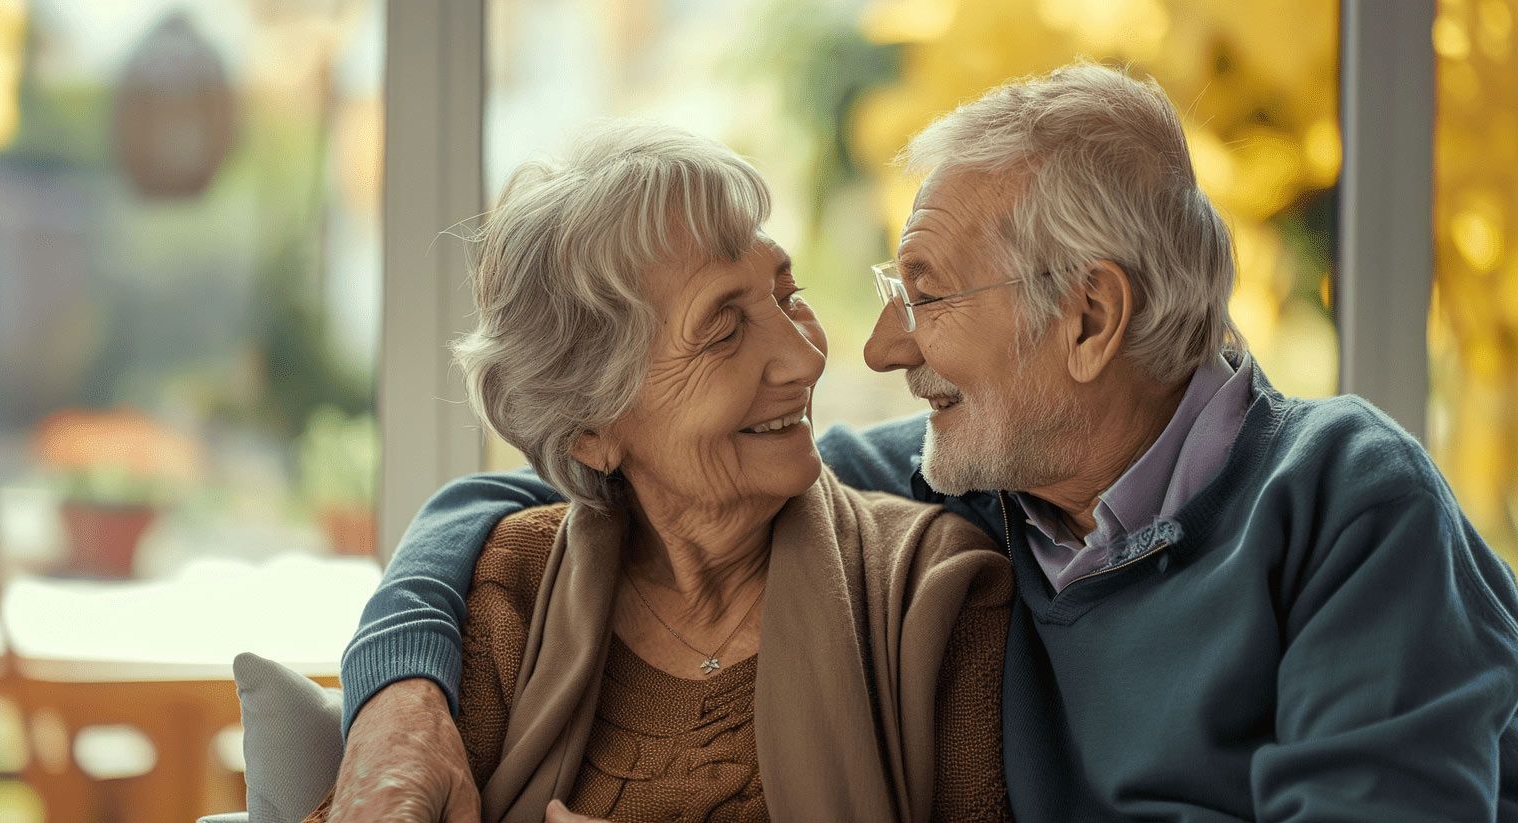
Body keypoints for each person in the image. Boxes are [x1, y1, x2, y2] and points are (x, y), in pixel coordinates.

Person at [333, 64, 1518, 822]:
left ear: (1089, 320)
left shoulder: (1345, 504)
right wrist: (399, 695)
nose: (872, 349)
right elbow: (552, 481)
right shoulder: (969, 496)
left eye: (927, 294)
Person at [318, 122, 1010, 823]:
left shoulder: (938, 592)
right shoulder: (508, 591)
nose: (805, 360)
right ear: (592, 429)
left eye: (787, 293)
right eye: (724, 328)